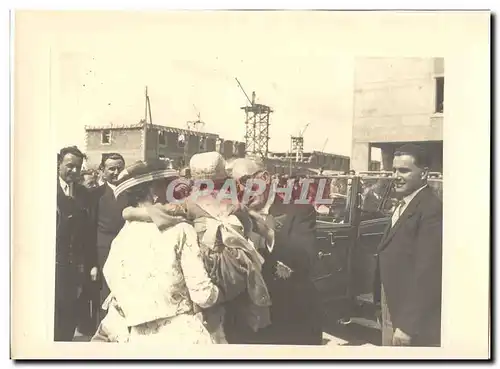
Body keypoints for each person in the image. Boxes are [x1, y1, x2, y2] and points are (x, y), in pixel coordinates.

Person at [122, 152, 272, 343]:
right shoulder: (236, 204)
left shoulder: (189, 203)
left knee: (207, 311)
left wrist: (129, 212)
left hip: (208, 265)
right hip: (237, 266)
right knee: (237, 316)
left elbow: (157, 214)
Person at [91, 160, 224, 344]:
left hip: (135, 338)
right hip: (179, 336)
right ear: (153, 192)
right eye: (166, 186)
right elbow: (202, 294)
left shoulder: (122, 236)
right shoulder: (181, 230)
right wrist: (222, 291)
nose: (172, 193)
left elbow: (114, 282)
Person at [225, 157, 323, 345]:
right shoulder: (232, 215)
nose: (241, 190)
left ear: (265, 178)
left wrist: (266, 232)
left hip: (289, 323)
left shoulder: (299, 209)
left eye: (245, 181)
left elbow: (305, 260)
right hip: (246, 327)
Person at [375, 143, 442, 347]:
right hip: (392, 306)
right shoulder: (405, 201)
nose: (396, 175)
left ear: (424, 174)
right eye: (394, 170)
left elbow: (429, 272)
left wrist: (408, 326)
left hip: (408, 320)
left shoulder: (431, 209)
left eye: (404, 170)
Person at [55, 146, 97, 341]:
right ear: (59, 164)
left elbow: (88, 232)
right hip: (52, 263)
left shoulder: (83, 193)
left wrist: (91, 264)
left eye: (78, 167)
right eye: (69, 166)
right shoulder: (46, 190)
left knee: (70, 313)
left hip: (75, 266)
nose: (74, 171)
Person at [87, 153, 128, 322]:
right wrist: (92, 263)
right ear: (102, 170)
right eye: (111, 168)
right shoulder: (95, 194)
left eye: (120, 168)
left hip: (127, 250)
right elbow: (89, 229)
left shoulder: (131, 192)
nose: (116, 172)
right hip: (103, 252)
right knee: (104, 294)